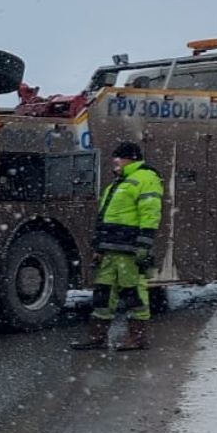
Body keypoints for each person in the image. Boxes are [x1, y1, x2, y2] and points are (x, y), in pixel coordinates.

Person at [73, 141, 163, 351]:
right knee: (103, 293)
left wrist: (143, 244)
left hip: (128, 249)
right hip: (111, 249)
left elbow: (150, 214)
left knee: (133, 293)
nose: (115, 162)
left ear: (130, 158)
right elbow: (104, 218)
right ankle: (97, 336)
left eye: (118, 158)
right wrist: (99, 247)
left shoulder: (144, 179)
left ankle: (137, 337)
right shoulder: (119, 183)